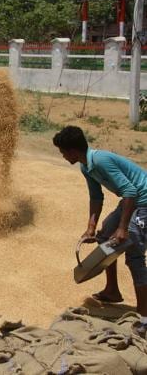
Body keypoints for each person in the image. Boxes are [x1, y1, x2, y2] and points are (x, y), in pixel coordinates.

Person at [53, 125, 147, 336]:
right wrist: (90, 228)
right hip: (131, 201)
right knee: (104, 237)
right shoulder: (86, 167)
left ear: (73, 151)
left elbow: (130, 190)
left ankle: (145, 319)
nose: (62, 156)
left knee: (134, 255)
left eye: (62, 152)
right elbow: (96, 197)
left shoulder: (101, 160)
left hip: (144, 202)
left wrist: (123, 228)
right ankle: (112, 290)